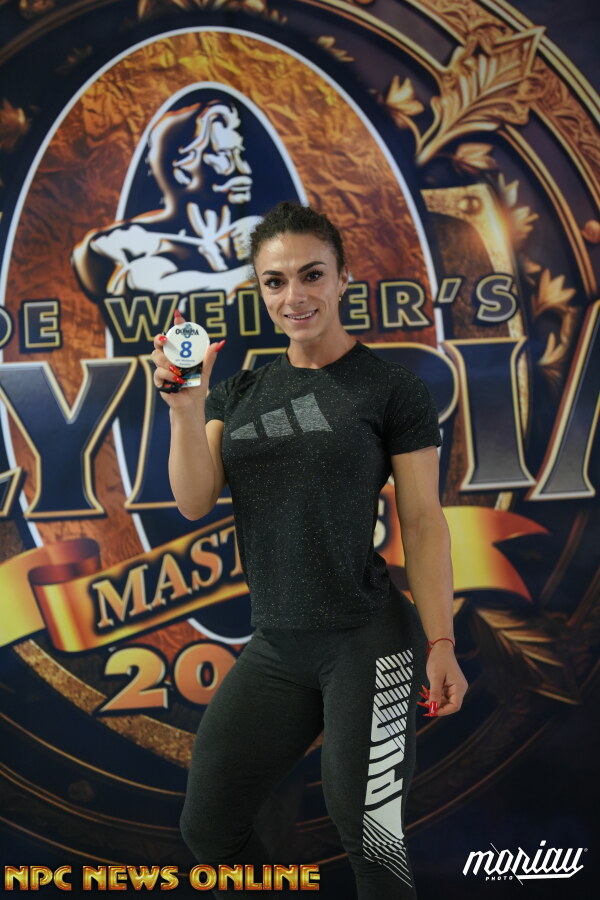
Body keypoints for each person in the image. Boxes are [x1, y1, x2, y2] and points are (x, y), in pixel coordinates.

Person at [152, 202, 468, 899]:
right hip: (278, 645)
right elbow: (194, 499)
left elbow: (423, 521)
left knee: (372, 841)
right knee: (209, 827)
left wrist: (442, 642)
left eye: (311, 275)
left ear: (343, 277)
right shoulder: (237, 393)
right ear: (259, 290)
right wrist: (184, 407)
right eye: (275, 281)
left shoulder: (391, 390)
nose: (294, 295)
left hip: (368, 639)